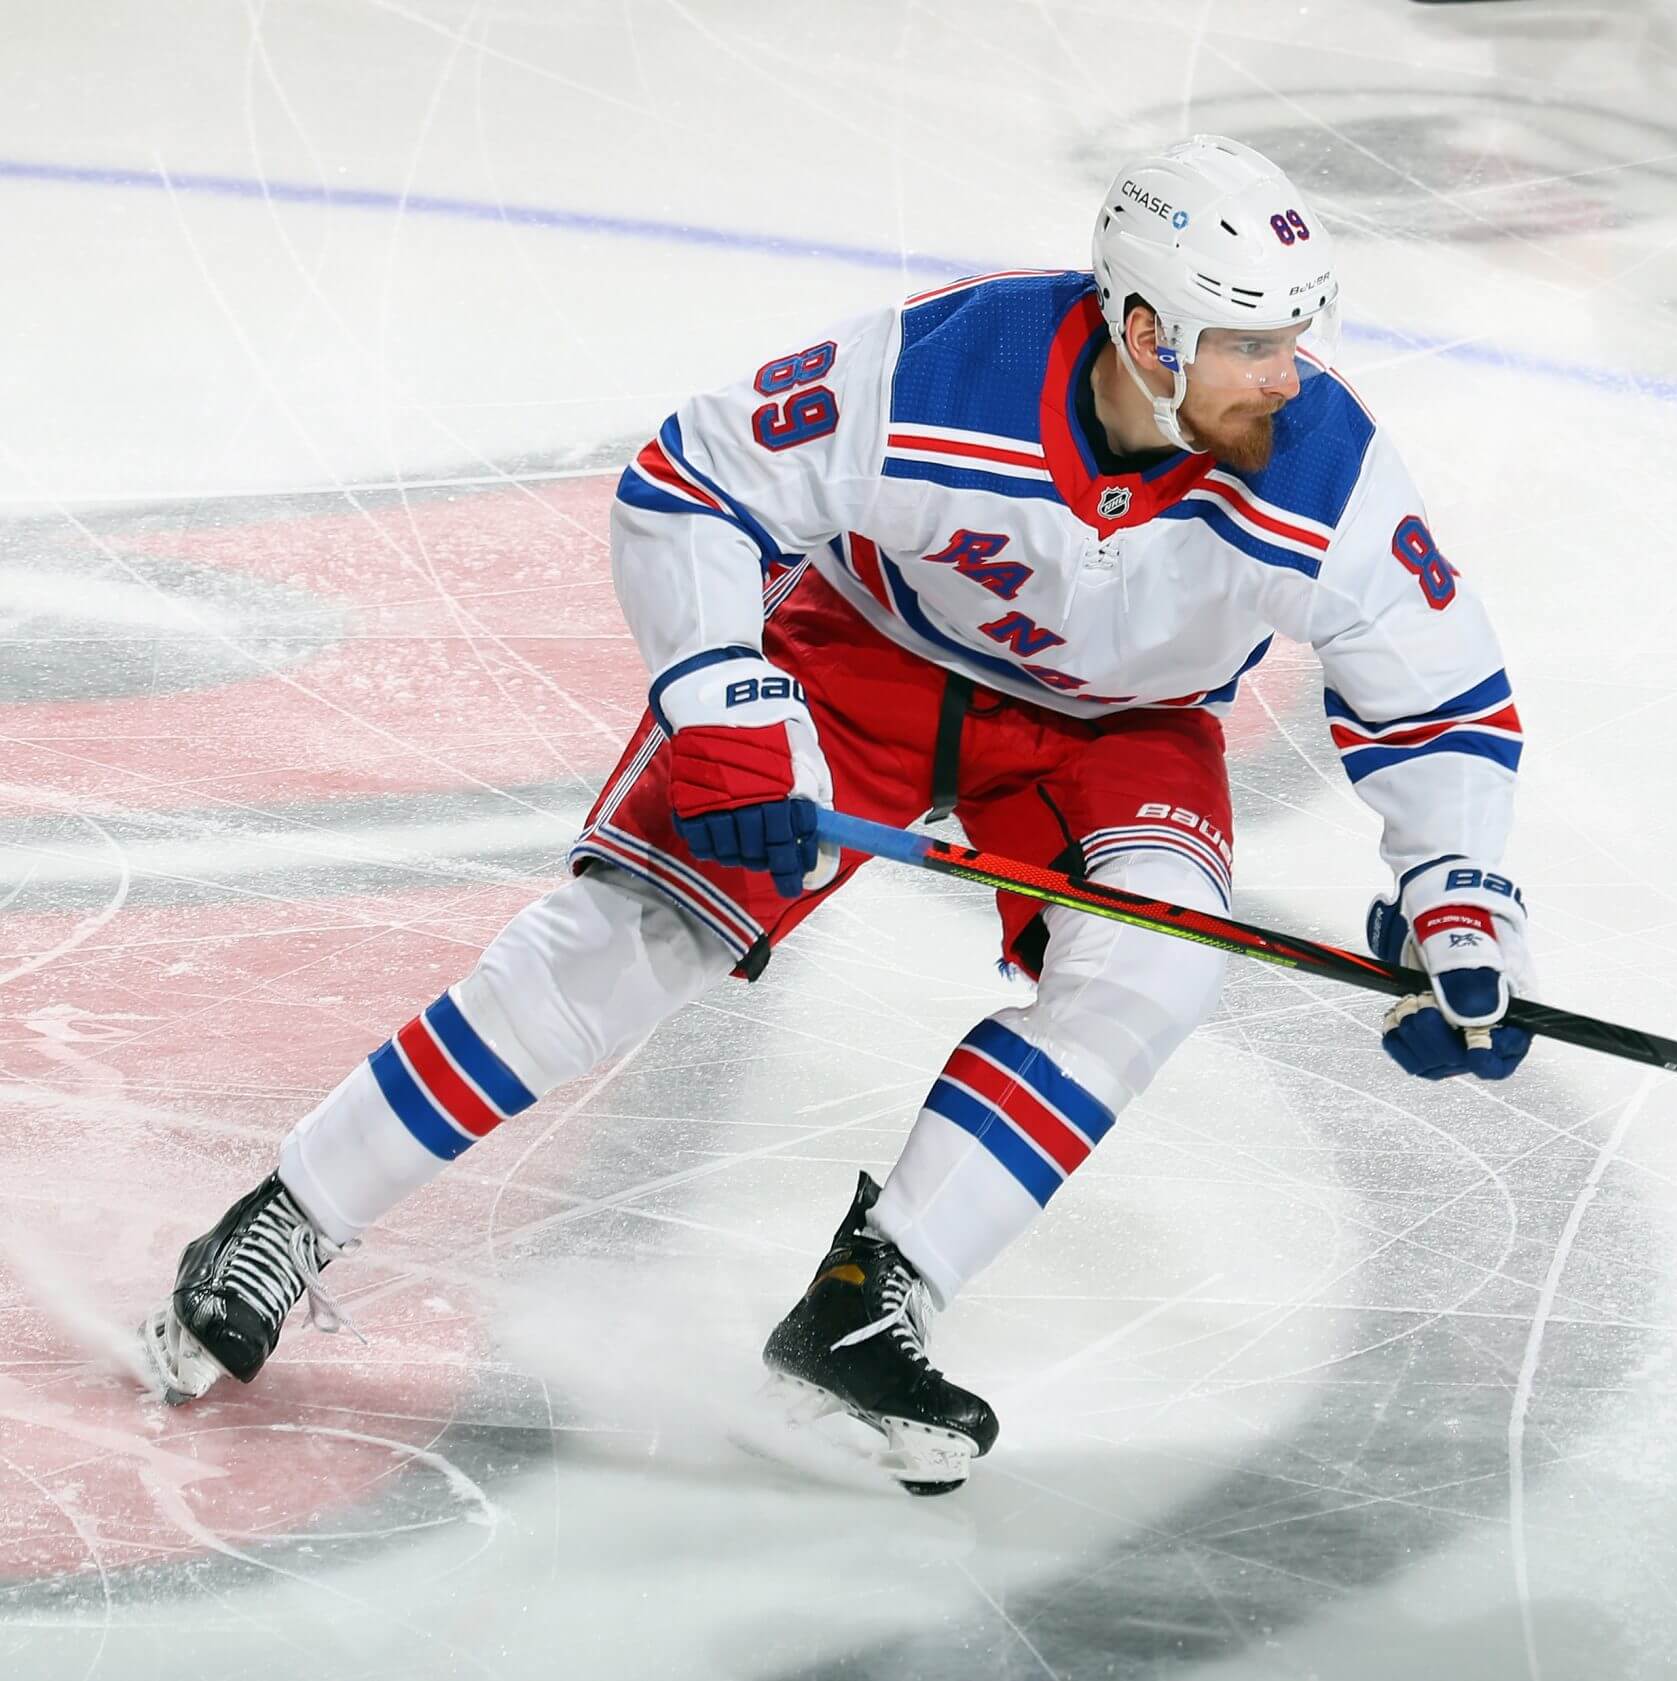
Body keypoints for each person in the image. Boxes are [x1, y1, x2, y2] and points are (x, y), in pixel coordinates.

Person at [138, 136, 1533, 1495]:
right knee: (634, 940)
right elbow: (690, 481)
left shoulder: (1326, 460)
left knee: (1161, 959)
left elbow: (1440, 695)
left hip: (1121, 730)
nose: (1287, 376)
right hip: (869, 651)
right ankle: (289, 1213)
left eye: (1297, 335)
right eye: (1248, 344)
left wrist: (1455, 888)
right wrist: (730, 706)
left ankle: (870, 1305)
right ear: (1145, 329)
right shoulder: (944, 368)